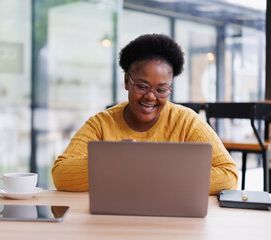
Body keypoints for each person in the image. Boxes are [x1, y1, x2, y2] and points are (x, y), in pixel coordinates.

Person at [51, 33, 238, 195]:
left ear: (170, 89)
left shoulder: (187, 122)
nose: (150, 97)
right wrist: (112, 159)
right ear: (126, 81)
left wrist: (158, 172)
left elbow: (229, 176)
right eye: (141, 86)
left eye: (161, 90)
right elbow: (61, 175)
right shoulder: (101, 123)